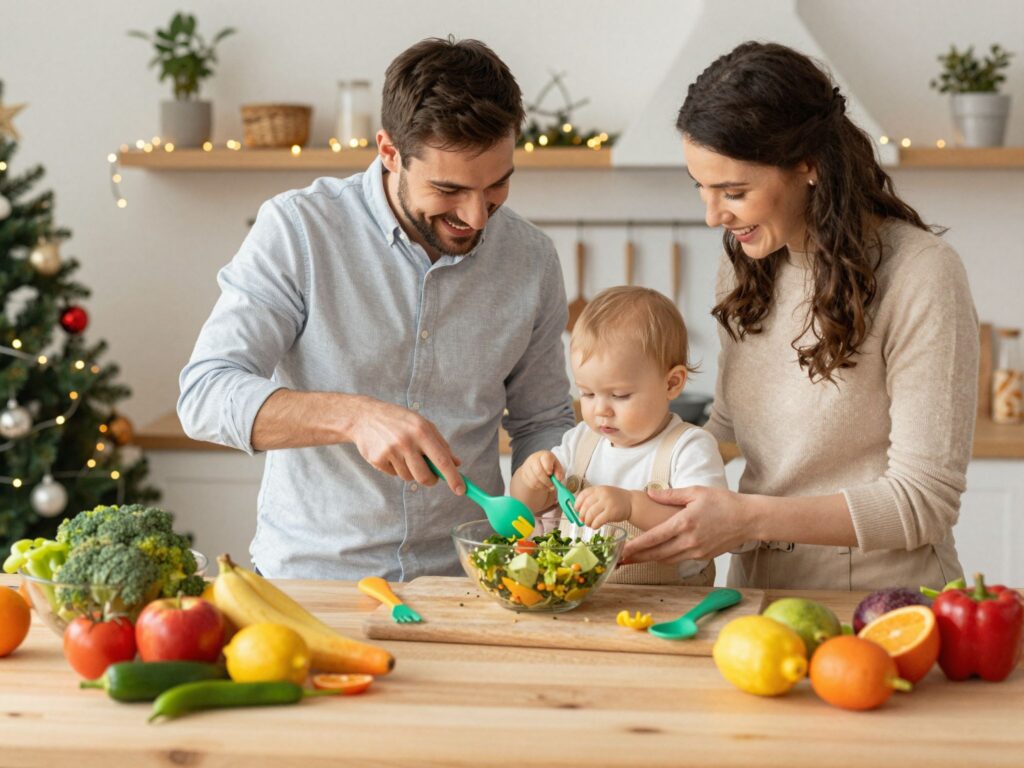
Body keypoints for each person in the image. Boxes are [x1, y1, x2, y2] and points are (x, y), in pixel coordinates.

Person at [177, 37, 575, 580]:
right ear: (389, 152)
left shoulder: (531, 259)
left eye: (498, 185)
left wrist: (556, 504)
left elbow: (542, 420)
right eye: (448, 189)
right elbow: (205, 394)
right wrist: (354, 416)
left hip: (470, 577)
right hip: (315, 580)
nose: (478, 217)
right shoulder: (300, 230)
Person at [622, 42, 979, 591]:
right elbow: (727, 425)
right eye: (702, 188)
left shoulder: (921, 273)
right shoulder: (746, 263)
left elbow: (923, 501)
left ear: (808, 164)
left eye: (733, 191)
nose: (714, 215)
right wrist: (620, 472)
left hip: (883, 600)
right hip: (755, 586)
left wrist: (746, 517)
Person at [510, 286, 733, 586]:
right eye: (587, 393)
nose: (601, 410)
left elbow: (705, 526)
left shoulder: (689, 448)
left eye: (619, 395)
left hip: (671, 607)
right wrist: (529, 478)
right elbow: (524, 508)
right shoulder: (580, 442)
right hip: (584, 603)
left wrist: (631, 505)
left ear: (672, 383)